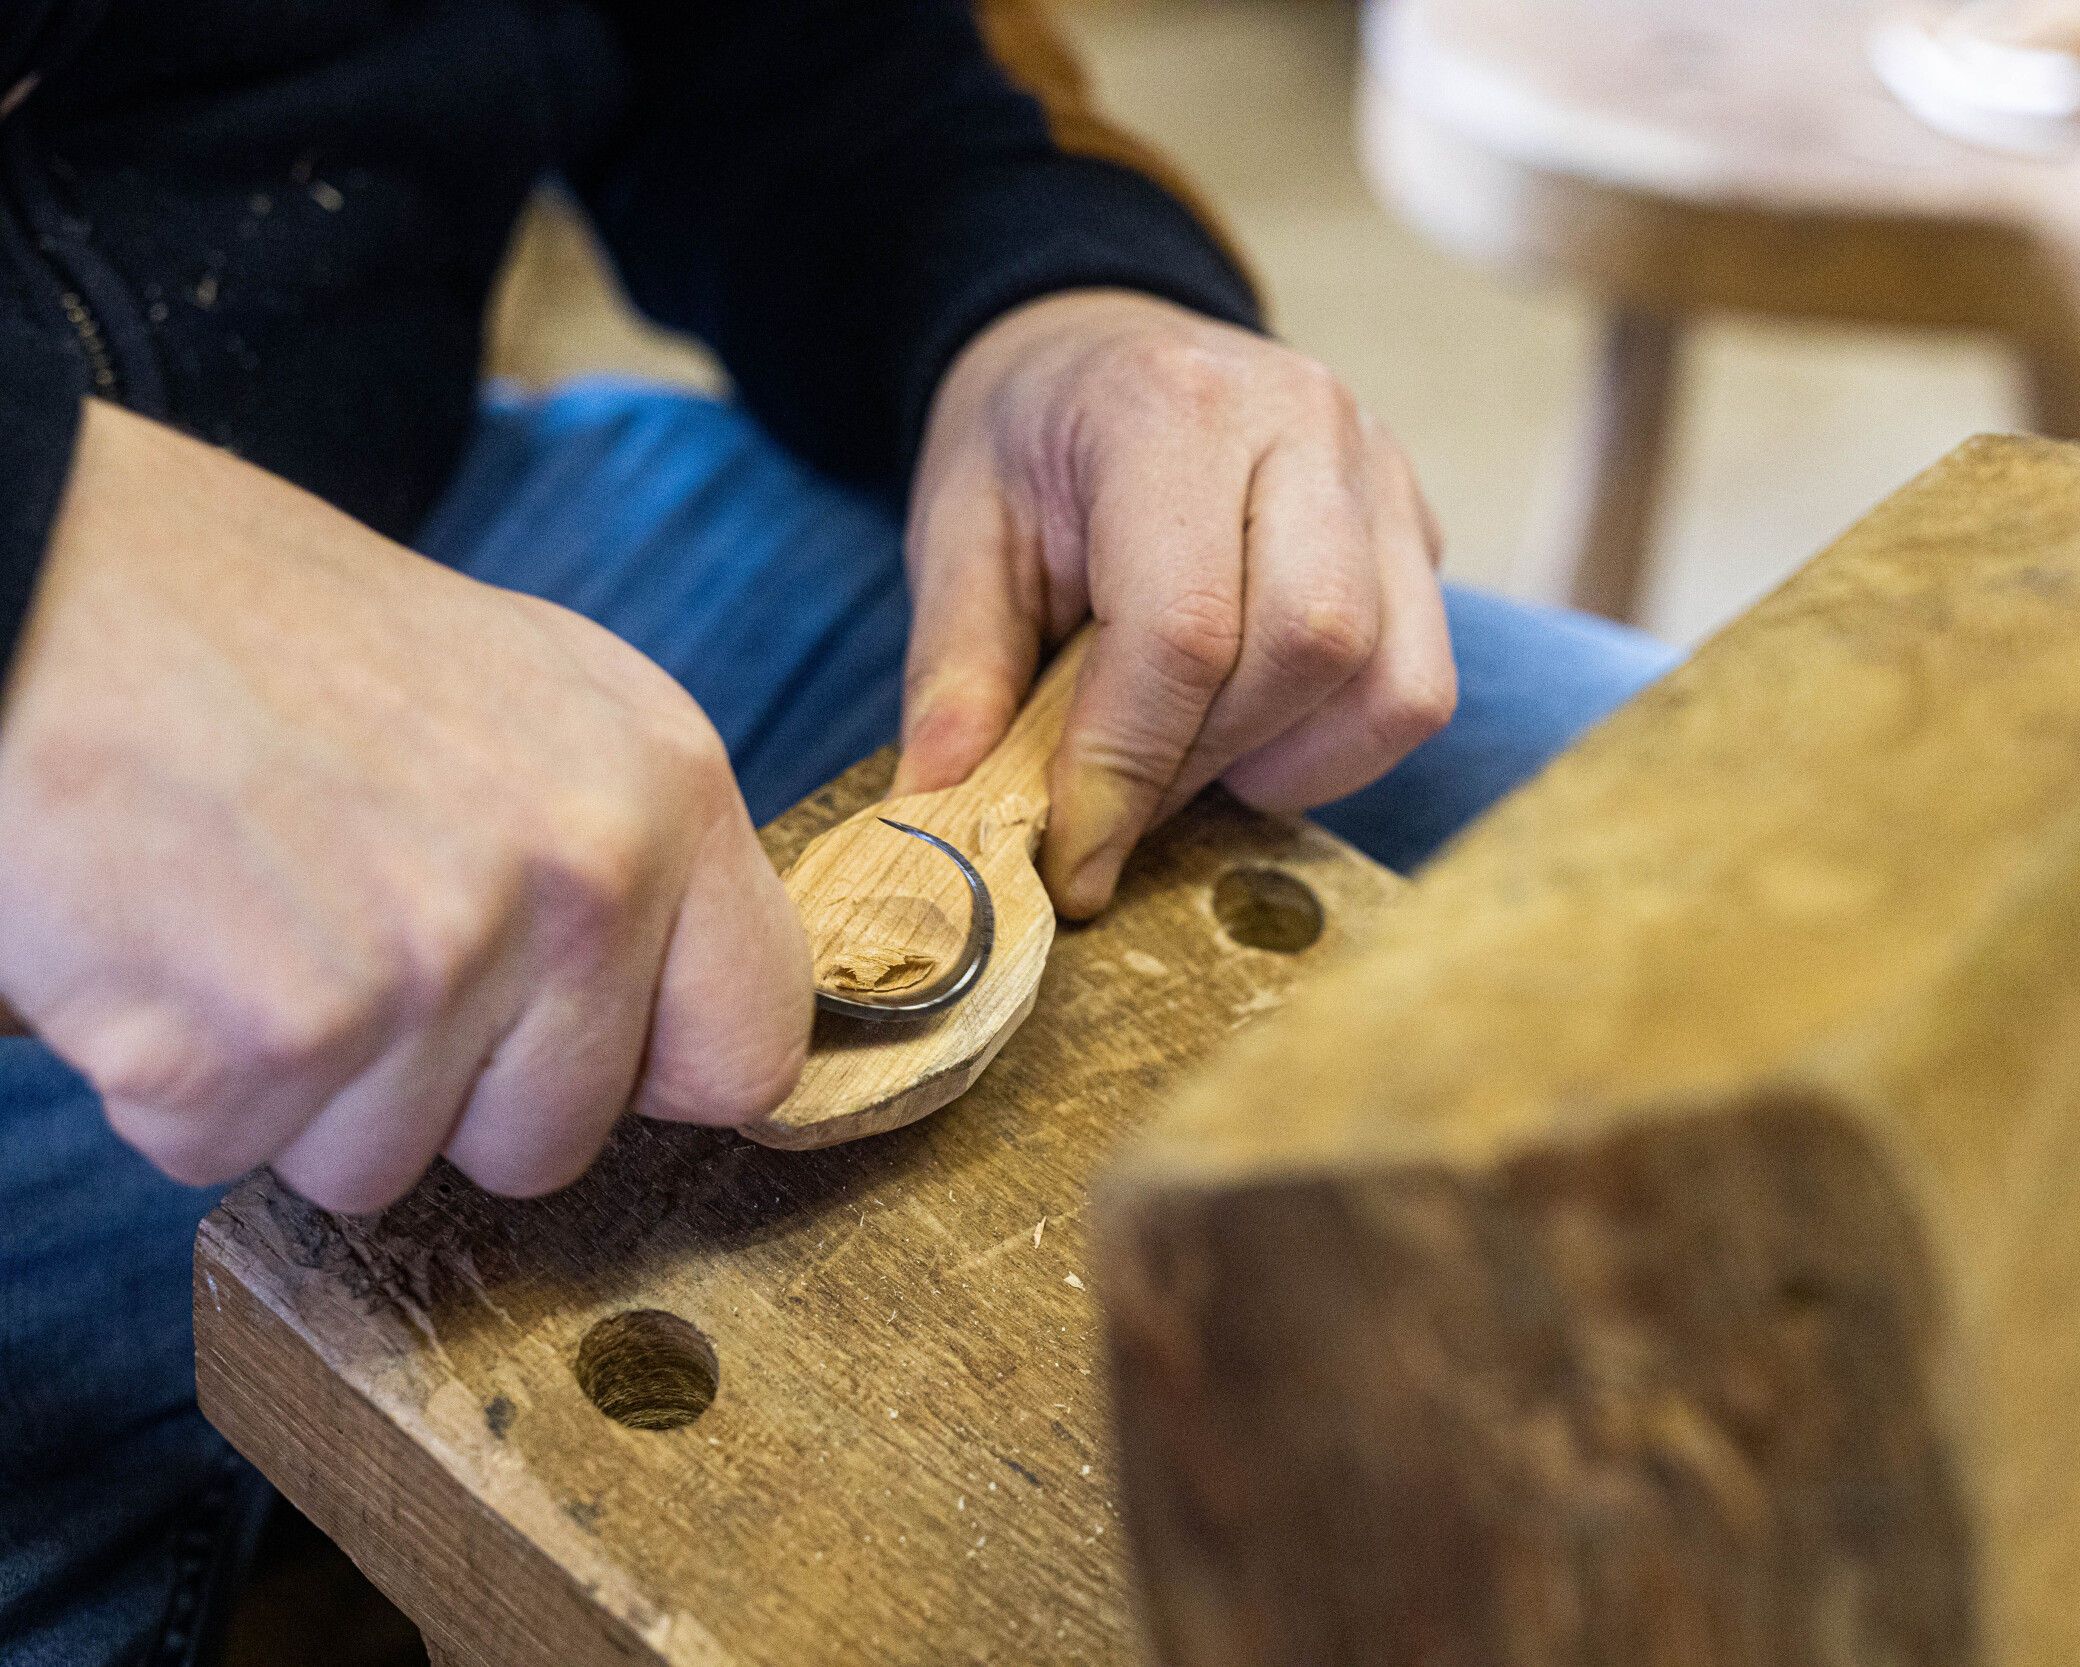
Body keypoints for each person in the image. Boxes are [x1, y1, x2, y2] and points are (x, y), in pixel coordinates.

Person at [0, 2, 1679, 1660]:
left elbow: (786, 60)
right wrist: (44, 570)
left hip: (434, 535)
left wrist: (1038, 283)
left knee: (1698, 842)